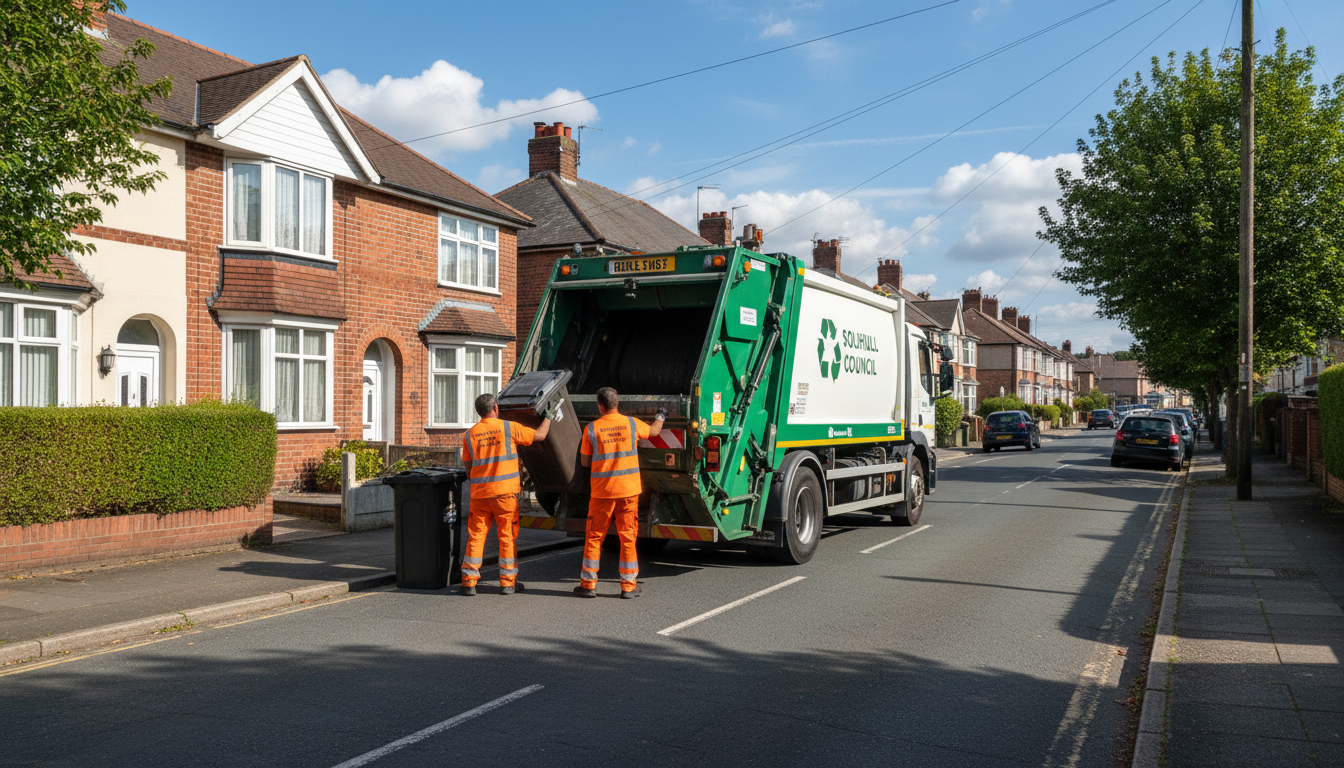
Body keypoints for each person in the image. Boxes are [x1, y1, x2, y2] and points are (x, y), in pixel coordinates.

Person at [459, 392, 554, 596]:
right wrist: (549, 416)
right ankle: (507, 582)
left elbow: (468, 467)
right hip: (504, 496)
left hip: (479, 495)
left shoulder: (469, 434)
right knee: (507, 537)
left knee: (475, 537)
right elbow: (540, 436)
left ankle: (468, 581)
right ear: (495, 408)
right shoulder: (508, 428)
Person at [574, 387, 664, 599]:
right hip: (628, 492)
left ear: (600, 406)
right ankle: (628, 587)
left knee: (594, 537)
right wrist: (661, 415)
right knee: (627, 538)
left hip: (602, 493)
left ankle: (588, 585)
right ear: (617, 403)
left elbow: (585, 462)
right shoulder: (631, 424)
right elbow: (654, 432)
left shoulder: (591, 429)